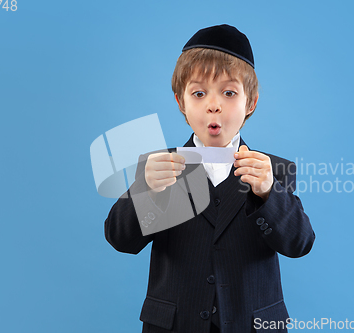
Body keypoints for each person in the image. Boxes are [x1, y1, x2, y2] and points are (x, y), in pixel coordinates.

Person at [105, 24, 315, 333]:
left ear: (250, 103)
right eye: (199, 93)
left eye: (229, 93)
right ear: (181, 103)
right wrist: (145, 190)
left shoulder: (274, 170)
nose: (213, 105)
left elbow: (299, 243)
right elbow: (121, 239)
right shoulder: (158, 167)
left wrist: (270, 193)